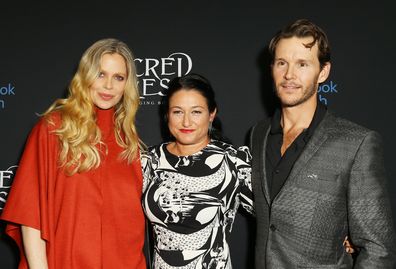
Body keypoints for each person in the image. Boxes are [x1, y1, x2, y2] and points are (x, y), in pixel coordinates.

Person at [249, 19, 396, 268]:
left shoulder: (356, 142)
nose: (289, 75)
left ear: (323, 72)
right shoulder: (258, 134)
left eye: (302, 64)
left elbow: (378, 249)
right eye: (282, 63)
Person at [1, 38, 146, 269]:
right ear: (85, 76)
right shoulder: (53, 129)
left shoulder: (128, 141)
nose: (109, 85)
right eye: (100, 74)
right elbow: (30, 215)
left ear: (127, 84)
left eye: (118, 77)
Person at [141, 73, 253, 269]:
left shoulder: (233, 161)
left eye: (196, 112)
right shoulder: (149, 161)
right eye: (177, 112)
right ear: (167, 114)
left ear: (211, 114)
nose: (186, 122)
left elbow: (275, 219)